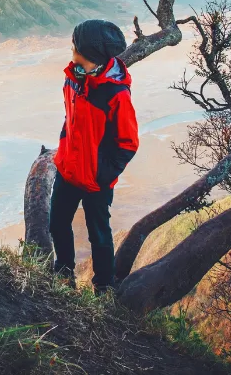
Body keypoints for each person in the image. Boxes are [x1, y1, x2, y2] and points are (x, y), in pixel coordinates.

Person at [50, 19, 139, 294]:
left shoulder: (115, 94)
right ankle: (64, 275)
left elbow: (128, 143)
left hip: (96, 179)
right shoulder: (73, 77)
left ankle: (104, 287)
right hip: (68, 168)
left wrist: (102, 174)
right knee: (57, 223)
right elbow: (71, 117)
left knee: (99, 235)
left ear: (96, 59)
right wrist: (66, 147)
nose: (73, 54)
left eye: (78, 51)